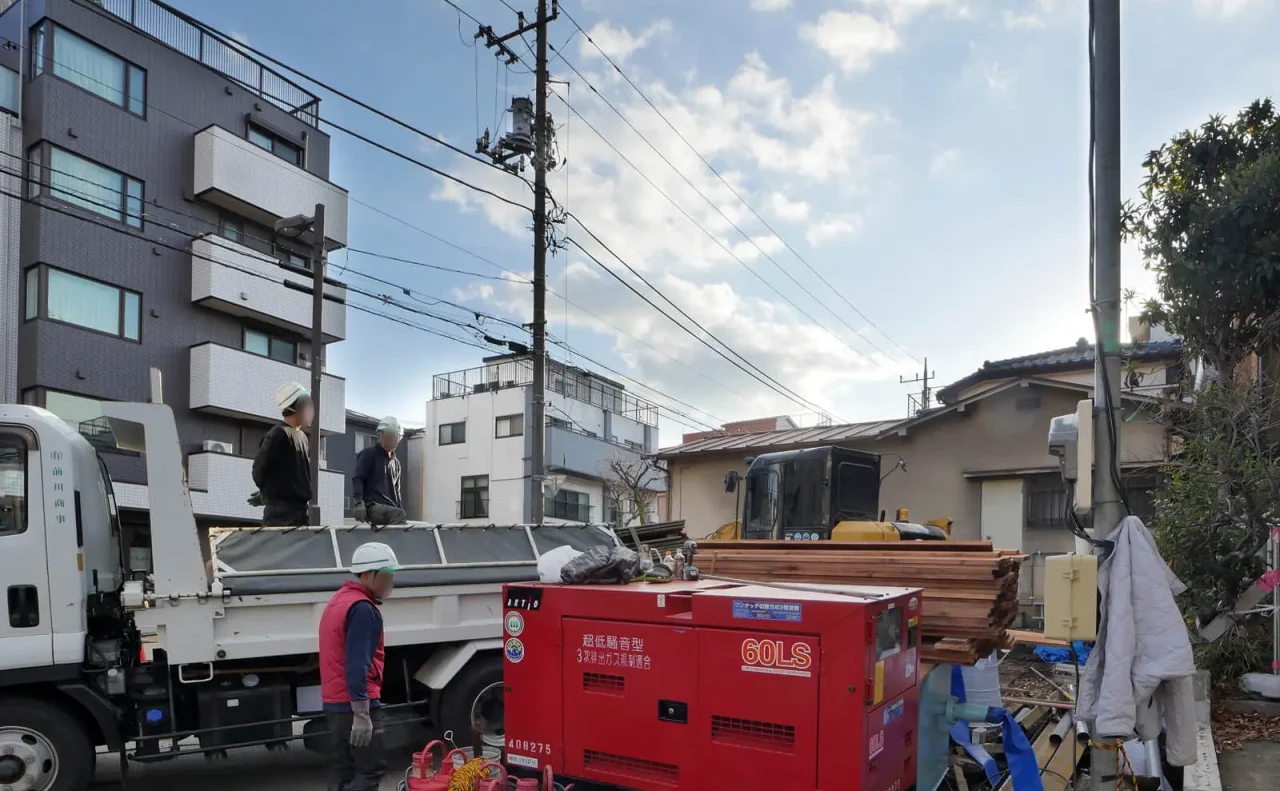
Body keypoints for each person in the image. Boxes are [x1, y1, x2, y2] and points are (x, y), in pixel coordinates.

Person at [318, 542, 400, 791]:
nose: (390, 583)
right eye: (386, 576)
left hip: (336, 704)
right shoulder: (363, 609)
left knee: (343, 771)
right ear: (367, 575)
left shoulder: (339, 600)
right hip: (354, 704)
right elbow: (357, 664)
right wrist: (362, 714)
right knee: (369, 770)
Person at [252, 382, 314, 526]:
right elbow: (259, 470)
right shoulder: (277, 434)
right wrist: (271, 493)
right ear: (297, 406)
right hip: (280, 516)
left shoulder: (302, 436)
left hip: (300, 512)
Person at [352, 416, 407, 526]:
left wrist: (400, 510)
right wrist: (358, 502)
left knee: (401, 516)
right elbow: (358, 478)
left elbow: (397, 492)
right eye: (390, 435)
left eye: (397, 436)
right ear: (379, 434)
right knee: (398, 515)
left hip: (390, 509)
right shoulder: (368, 454)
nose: (394, 439)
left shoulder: (396, 463)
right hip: (372, 506)